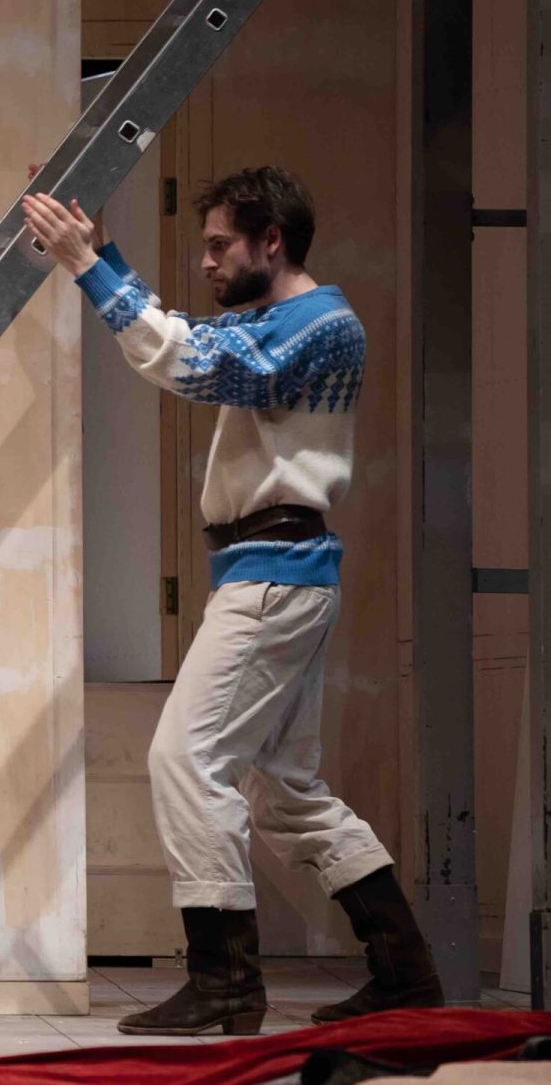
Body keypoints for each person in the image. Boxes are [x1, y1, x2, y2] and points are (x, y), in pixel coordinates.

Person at [22, 168, 440, 1034]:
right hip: (274, 570)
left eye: (220, 245)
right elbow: (181, 335)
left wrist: (85, 268)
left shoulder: (319, 323)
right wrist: (102, 251)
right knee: (286, 791)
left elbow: (195, 364)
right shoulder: (275, 320)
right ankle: (404, 973)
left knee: (187, 759)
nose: (207, 261)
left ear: (270, 241)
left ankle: (226, 984)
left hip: (275, 574)